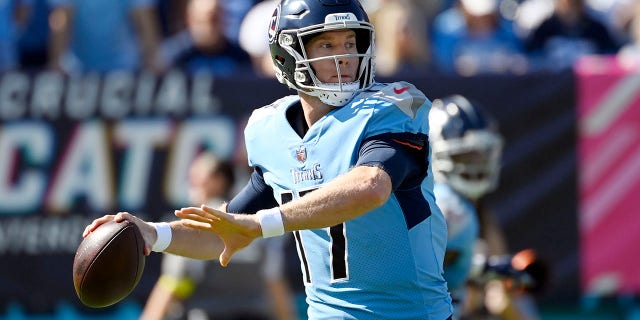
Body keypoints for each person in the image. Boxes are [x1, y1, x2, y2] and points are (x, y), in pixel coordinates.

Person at [83, 0, 454, 319]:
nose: (344, 57)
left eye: (350, 42)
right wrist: (152, 234)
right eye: (326, 44)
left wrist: (262, 224)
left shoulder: (391, 107)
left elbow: (370, 186)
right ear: (287, 55)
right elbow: (227, 229)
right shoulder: (270, 130)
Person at [429, 95, 547, 320]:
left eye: (480, 155)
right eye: (466, 155)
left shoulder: (480, 215)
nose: (476, 164)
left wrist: (505, 306)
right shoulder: (432, 208)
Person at [140, 152, 297, 320]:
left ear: (218, 180)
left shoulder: (196, 224)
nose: (191, 181)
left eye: (197, 175)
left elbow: (172, 284)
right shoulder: (255, 219)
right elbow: (274, 283)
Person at [47, 0, 164, 74]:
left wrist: (153, 59)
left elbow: (144, 22)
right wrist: (56, 62)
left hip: (124, 68)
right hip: (78, 68)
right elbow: (61, 20)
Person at [159, 0, 252, 76]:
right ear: (189, 21)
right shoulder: (175, 58)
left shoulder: (242, 57)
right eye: (201, 21)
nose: (208, 27)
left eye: (214, 20)